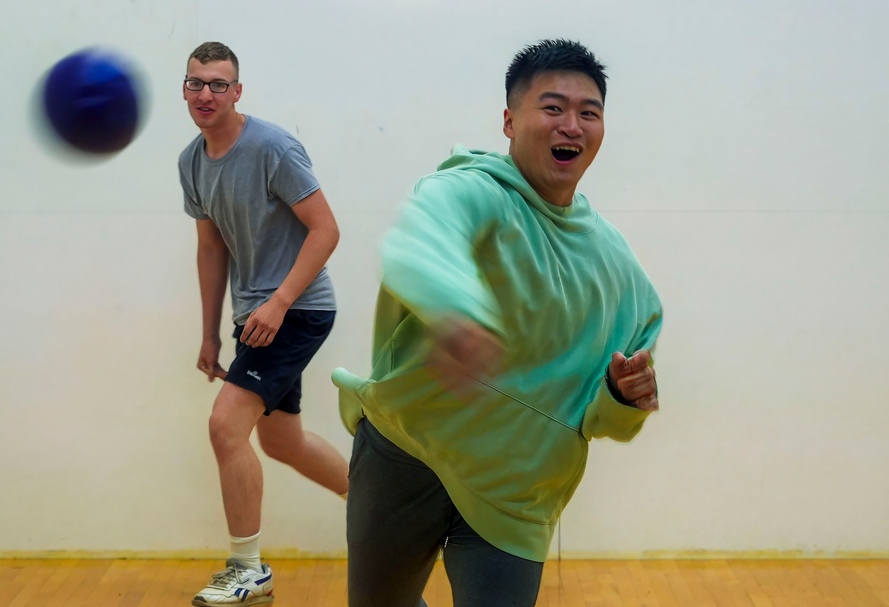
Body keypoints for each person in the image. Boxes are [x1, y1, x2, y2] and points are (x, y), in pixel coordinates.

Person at [332, 39, 663, 607]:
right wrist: (458, 318)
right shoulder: (466, 191)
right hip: (405, 451)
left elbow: (608, 417)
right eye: (553, 107)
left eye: (589, 112)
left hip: (516, 495)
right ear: (509, 121)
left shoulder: (623, 274)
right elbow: (420, 245)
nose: (572, 125)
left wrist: (623, 397)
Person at [178, 41, 349, 606]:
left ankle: (248, 569)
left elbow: (325, 230)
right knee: (284, 442)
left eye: (218, 84)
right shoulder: (192, 162)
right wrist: (208, 331)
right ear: (185, 89)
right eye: (196, 83)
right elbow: (210, 248)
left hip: (297, 310)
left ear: (237, 91)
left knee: (226, 425)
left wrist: (277, 303)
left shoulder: (273, 147)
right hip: (253, 317)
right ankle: (395, 513)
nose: (206, 94)